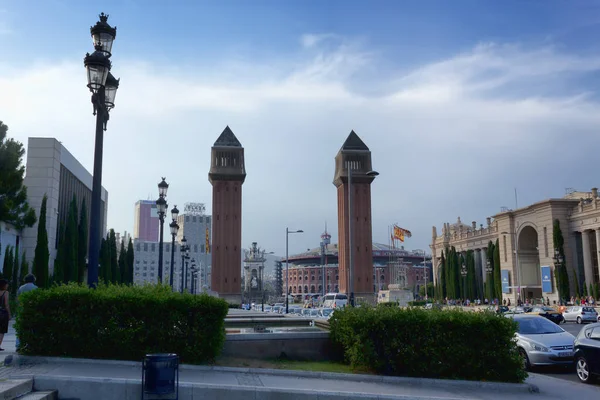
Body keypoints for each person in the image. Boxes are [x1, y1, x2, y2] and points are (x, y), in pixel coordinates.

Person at [15, 274, 38, 350]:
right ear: (33, 280)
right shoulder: (35, 288)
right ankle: (30, 344)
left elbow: (18, 299)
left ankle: (18, 344)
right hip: (32, 310)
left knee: (20, 327)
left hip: (22, 309)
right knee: (31, 327)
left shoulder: (21, 288)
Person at [0, 279, 11, 351]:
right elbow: (6, 304)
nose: (8, 285)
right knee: (1, 331)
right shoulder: (6, 293)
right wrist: (9, 314)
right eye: (6, 284)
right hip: (2, 313)